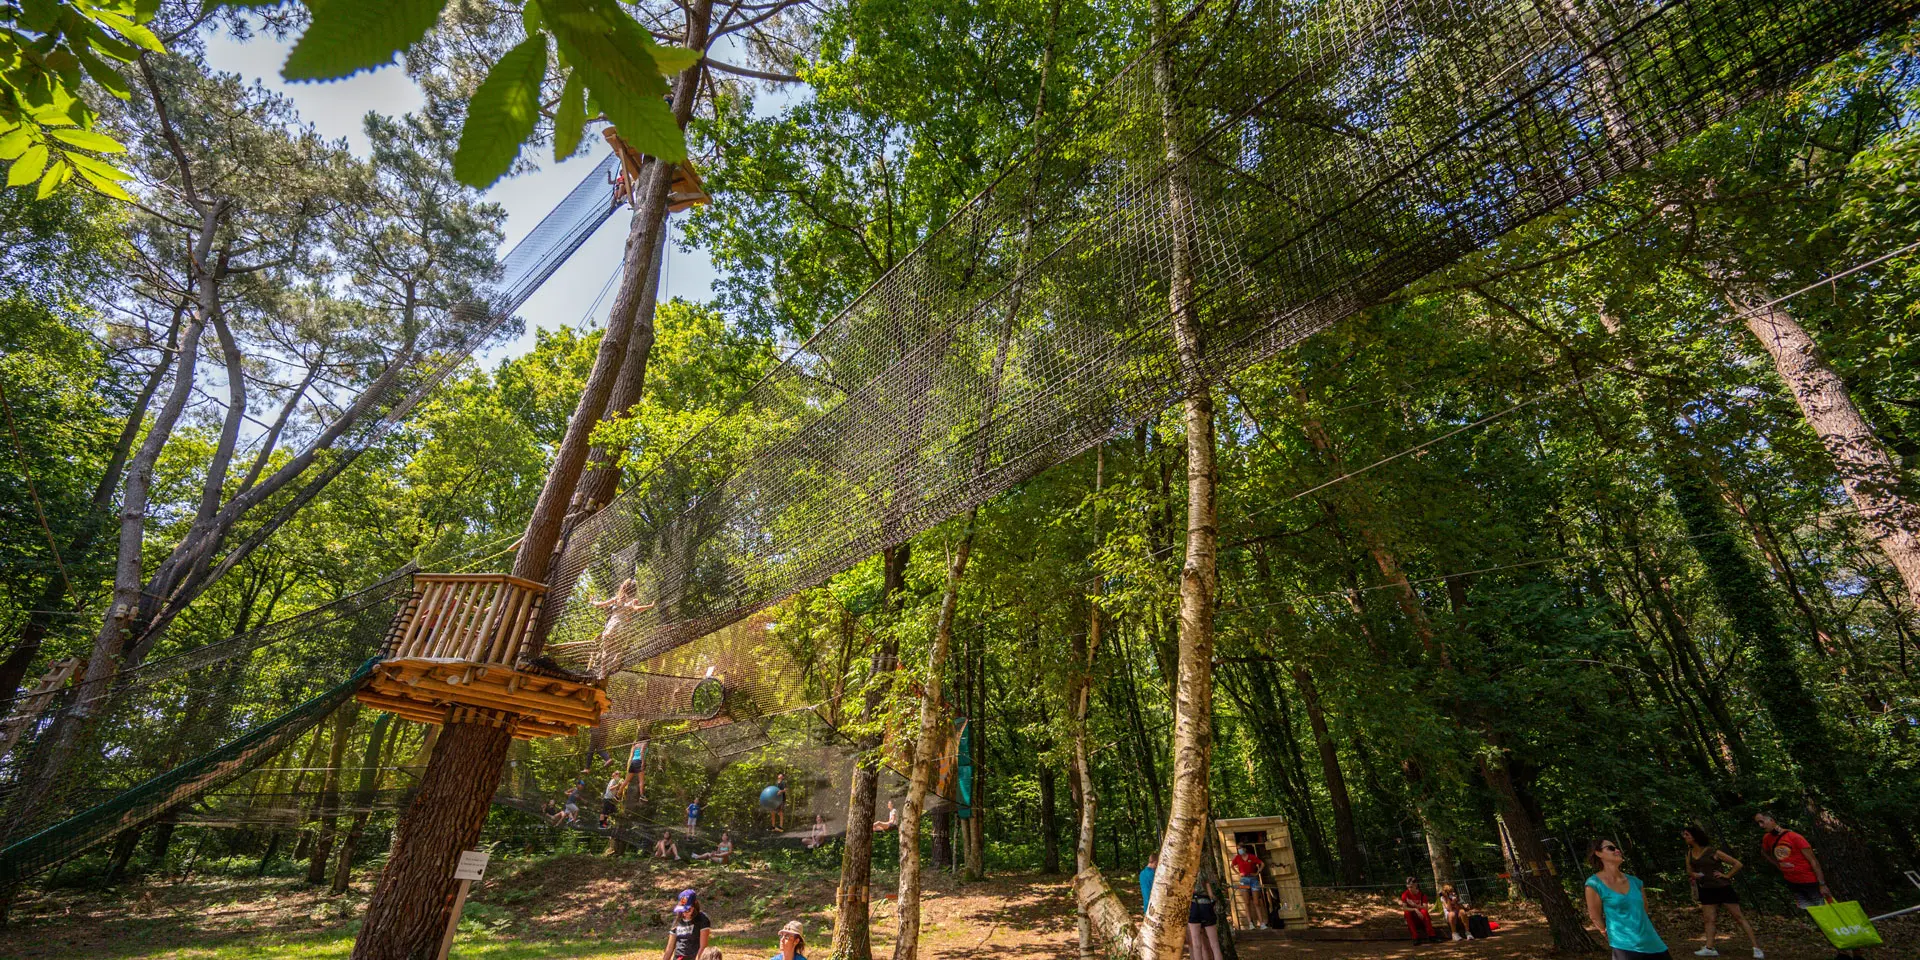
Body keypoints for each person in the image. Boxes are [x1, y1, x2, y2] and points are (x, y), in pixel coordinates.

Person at [1755, 812, 1861, 960]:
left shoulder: (1794, 837)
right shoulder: (1767, 838)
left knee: (1832, 915)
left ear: (1771, 820)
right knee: (1819, 919)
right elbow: (1764, 852)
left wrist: (1822, 884)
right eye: (1758, 823)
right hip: (1795, 884)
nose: (1760, 826)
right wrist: (1779, 865)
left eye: (1762, 822)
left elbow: (1814, 861)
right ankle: (1842, 951)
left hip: (1811, 883)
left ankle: (1856, 951)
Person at [1585, 838, 1672, 960]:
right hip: (1624, 946)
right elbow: (1594, 916)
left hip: (1652, 941)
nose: (1617, 850)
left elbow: (1644, 909)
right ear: (1598, 853)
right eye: (1611, 848)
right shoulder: (1594, 884)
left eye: (1616, 847)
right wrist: (1605, 932)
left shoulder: (1635, 882)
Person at [1683, 825, 1762, 958]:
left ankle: (1756, 947)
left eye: (1687, 834)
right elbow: (1689, 870)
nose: (1684, 837)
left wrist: (1727, 875)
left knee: (1738, 917)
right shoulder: (1690, 853)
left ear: (1695, 837)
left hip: (1722, 888)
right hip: (1706, 889)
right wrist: (1694, 875)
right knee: (1709, 919)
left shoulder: (1713, 852)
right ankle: (1709, 947)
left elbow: (1737, 864)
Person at [591, 579, 655, 674]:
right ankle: (611, 668)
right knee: (616, 652)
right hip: (622, 629)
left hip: (612, 627)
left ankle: (603, 673)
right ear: (634, 590)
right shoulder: (633, 600)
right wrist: (649, 606)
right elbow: (636, 609)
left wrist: (592, 601)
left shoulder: (617, 598)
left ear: (623, 587)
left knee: (606, 651)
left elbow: (600, 605)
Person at [664, 888, 711, 960]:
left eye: (688, 910)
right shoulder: (677, 921)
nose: (684, 913)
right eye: (682, 910)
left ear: (695, 906)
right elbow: (669, 948)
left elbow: (703, 947)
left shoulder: (702, 919)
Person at [1232, 844, 1270, 929]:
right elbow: (1232, 866)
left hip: (1253, 880)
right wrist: (1238, 874)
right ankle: (1250, 923)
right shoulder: (1237, 858)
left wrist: (1257, 872)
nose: (1239, 850)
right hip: (1244, 881)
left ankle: (1262, 923)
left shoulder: (1252, 857)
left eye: (1240, 848)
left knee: (1256, 902)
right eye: (1238, 849)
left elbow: (1262, 864)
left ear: (1244, 849)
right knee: (1247, 902)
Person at [1187, 879, 1224, 960]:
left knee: (1196, 944)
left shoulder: (1187, 875)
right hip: (1206, 906)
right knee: (1215, 945)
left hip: (1193, 907)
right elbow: (1211, 896)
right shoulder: (1204, 873)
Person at [1398, 876, 1437, 944]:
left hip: (1421, 917)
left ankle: (1432, 936)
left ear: (1416, 885)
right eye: (1408, 887)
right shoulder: (1405, 894)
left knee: (1424, 912)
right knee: (1407, 913)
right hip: (1412, 917)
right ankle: (1415, 937)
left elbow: (1425, 908)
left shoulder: (1422, 895)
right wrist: (1415, 909)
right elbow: (1404, 908)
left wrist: (1415, 905)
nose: (1409, 889)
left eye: (1411, 887)